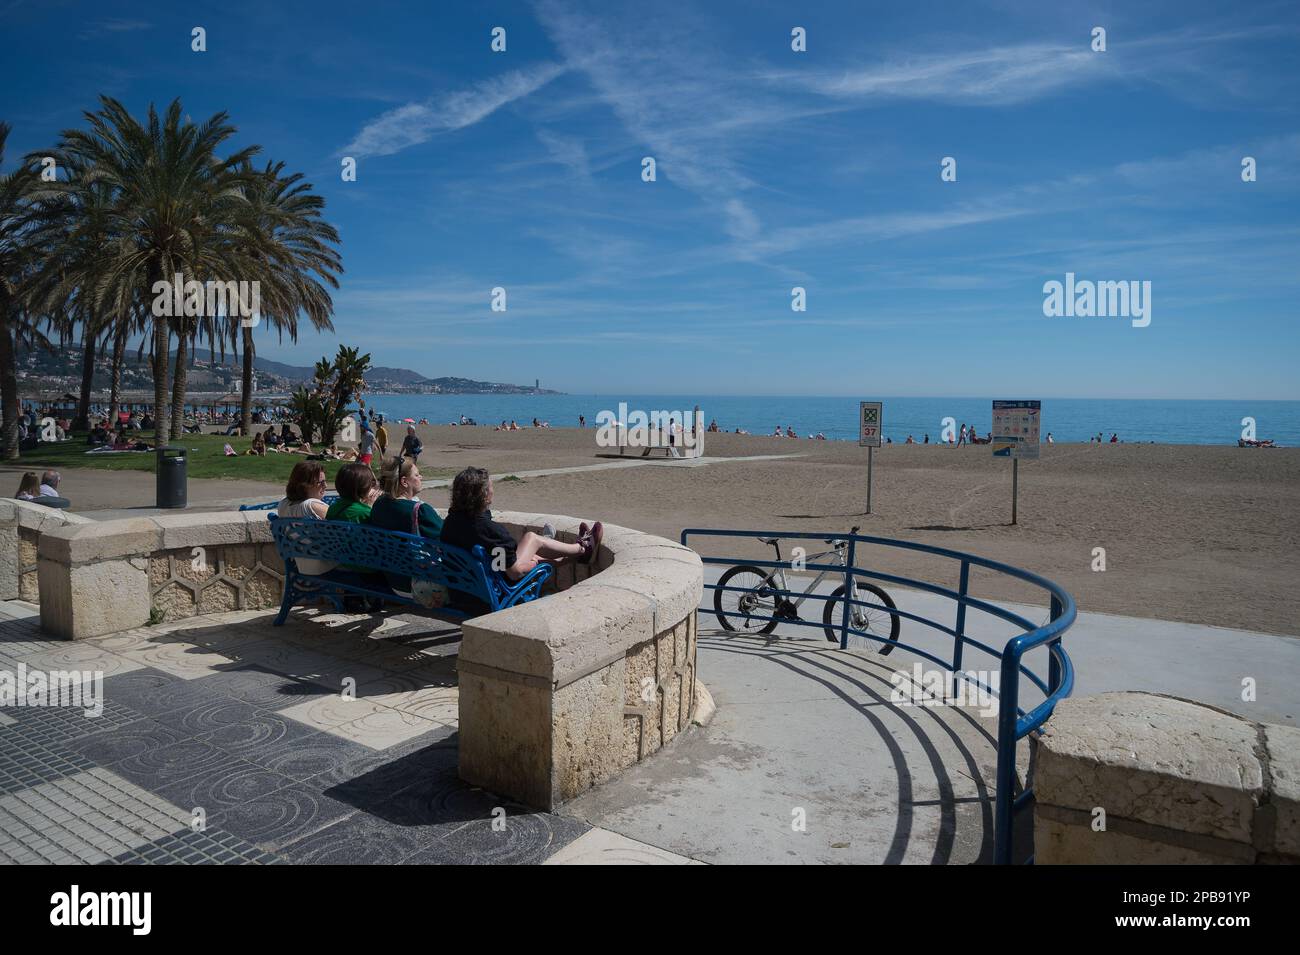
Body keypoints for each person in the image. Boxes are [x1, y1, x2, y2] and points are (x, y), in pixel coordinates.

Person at [441, 467, 601, 609]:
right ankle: (582, 548)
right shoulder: (490, 532)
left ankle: (576, 553)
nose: (493, 490)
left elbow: (498, 560)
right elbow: (514, 573)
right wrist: (534, 563)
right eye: (490, 487)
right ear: (483, 496)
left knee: (531, 552)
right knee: (533, 539)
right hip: (492, 595)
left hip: (461, 592)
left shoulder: (450, 522)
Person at [367, 457, 447, 606]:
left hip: (394, 581)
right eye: (416, 475)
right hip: (421, 586)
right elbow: (447, 540)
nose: (421, 477)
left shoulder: (379, 505)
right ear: (404, 482)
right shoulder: (420, 511)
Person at [276, 461, 336, 576]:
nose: (326, 486)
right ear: (305, 485)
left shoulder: (283, 504)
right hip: (327, 566)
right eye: (321, 482)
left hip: (302, 567)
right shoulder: (312, 506)